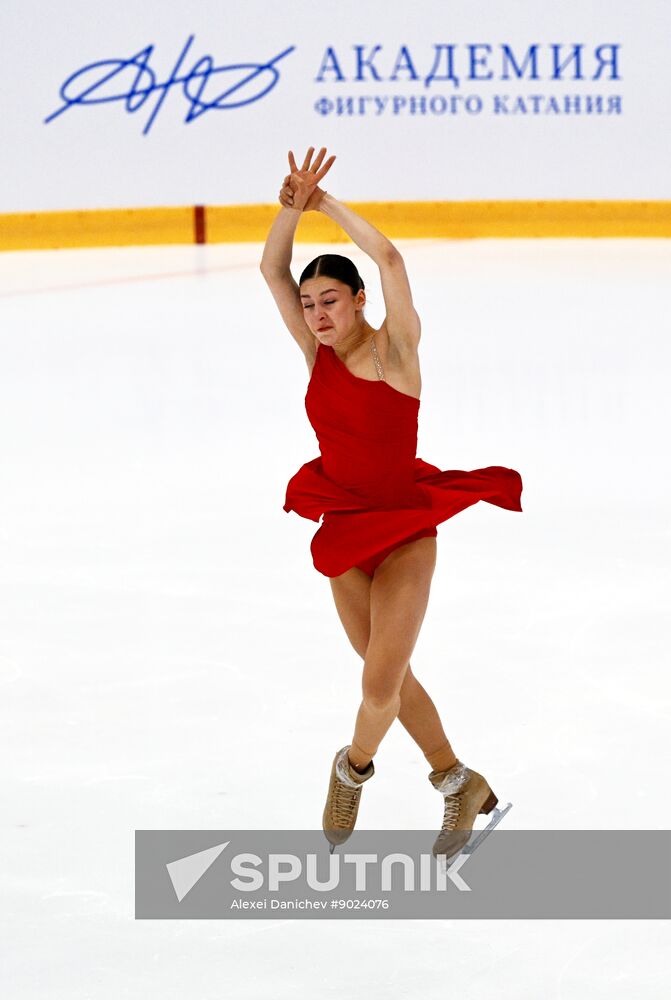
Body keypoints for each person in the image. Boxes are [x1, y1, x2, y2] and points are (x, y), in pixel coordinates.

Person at [259, 146, 523, 859]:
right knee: (391, 677)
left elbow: (391, 259)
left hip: (403, 530)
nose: (316, 314)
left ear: (358, 300)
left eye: (330, 300)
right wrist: (289, 210)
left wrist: (324, 205)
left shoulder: (395, 352)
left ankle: (352, 770)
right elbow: (272, 271)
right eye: (309, 304)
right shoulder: (316, 353)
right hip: (345, 527)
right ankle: (457, 781)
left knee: (377, 690)